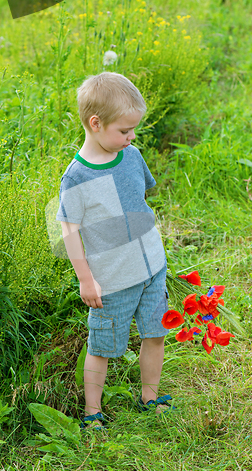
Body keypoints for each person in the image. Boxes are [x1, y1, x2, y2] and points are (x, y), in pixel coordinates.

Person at [56, 72, 175, 428]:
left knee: (156, 333)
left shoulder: (132, 156)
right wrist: (86, 280)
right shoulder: (76, 177)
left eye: (133, 130)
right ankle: (93, 413)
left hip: (152, 267)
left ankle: (149, 396)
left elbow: (138, 202)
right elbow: (68, 232)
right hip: (112, 281)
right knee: (102, 346)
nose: (132, 137)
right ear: (96, 123)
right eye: (124, 131)